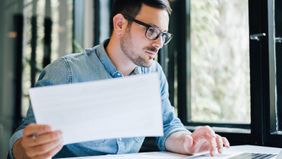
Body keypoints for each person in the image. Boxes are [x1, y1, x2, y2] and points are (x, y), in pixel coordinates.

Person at [9, 0, 230, 158]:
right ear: (120, 24)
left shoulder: (154, 74)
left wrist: (189, 142)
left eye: (163, 35)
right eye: (151, 31)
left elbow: (167, 124)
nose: (159, 43)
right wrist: (23, 150)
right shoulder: (66, 72)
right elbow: (24, 135)